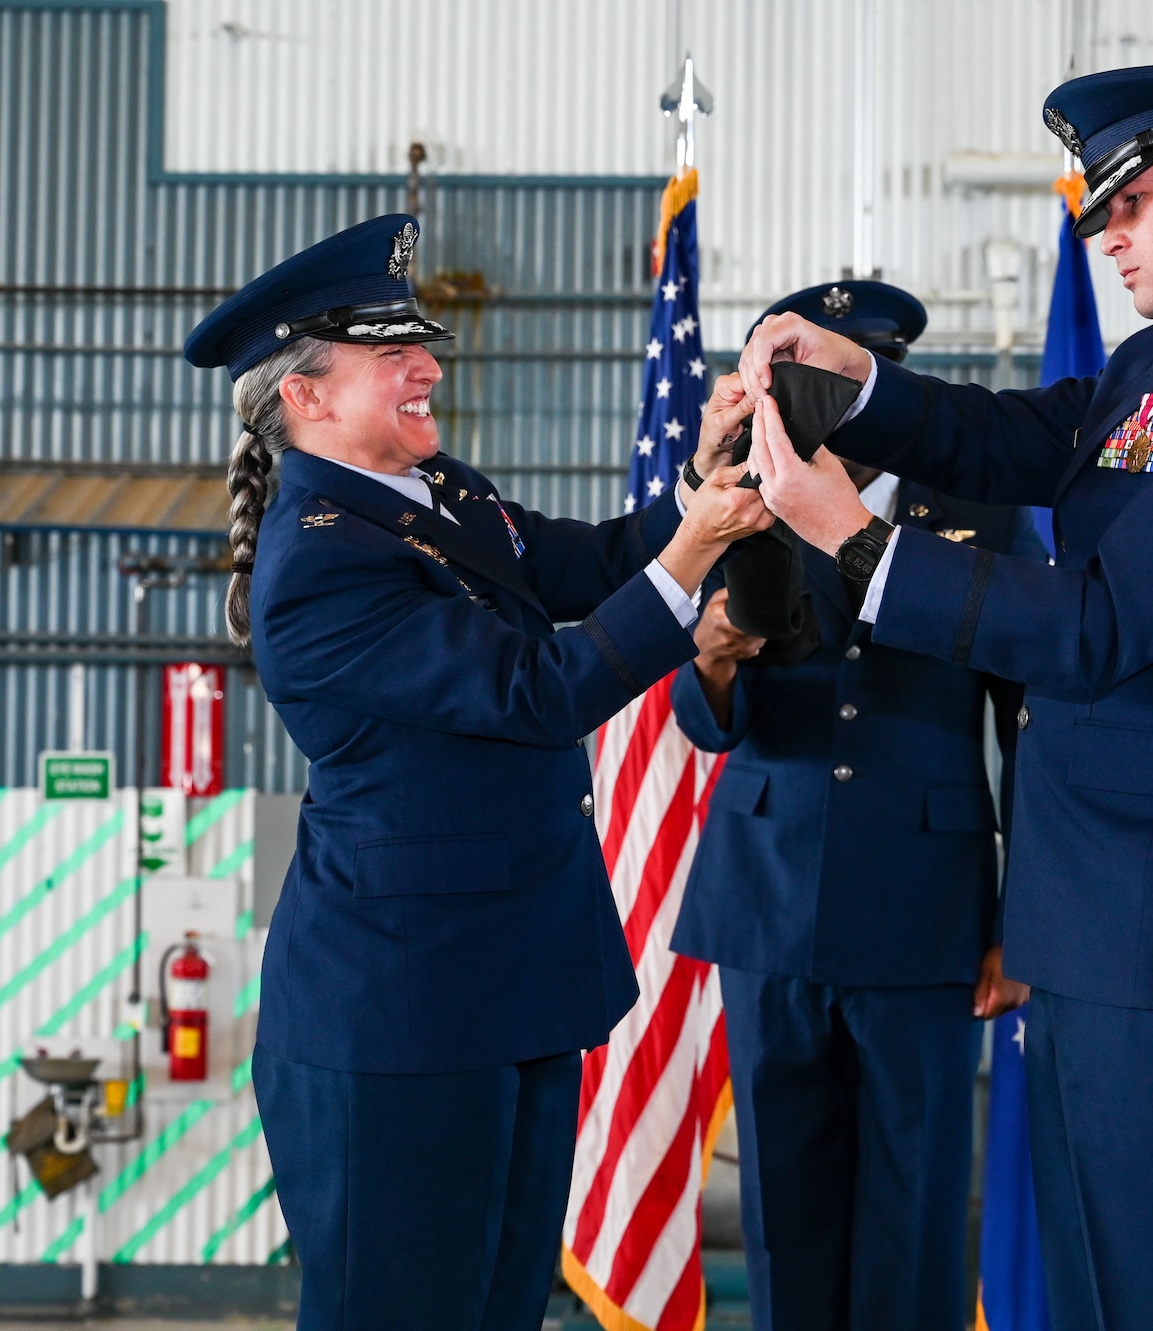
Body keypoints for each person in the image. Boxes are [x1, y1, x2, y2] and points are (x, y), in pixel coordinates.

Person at [736, 64, 1153, 1331]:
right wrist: (853, 379)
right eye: (1102, 217)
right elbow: (1001, 438)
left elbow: (1093, 627)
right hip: (1100, 921)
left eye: (1133, 204)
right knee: (1097, 1292)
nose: (1112, 240)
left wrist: (853, 545)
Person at [180, 214, 770, 1331]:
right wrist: (694, 550)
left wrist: (699, 470)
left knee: (498, 1308)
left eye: (420, 342)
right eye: (390, 351)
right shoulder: (319, 564)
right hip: (400, 1016)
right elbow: (534, 690)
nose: (428, 366)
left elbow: (587, 563)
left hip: (515, 985)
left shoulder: (430, 489)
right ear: (304, 395)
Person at [669, 281, 1042, 1331]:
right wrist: (708, 662)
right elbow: (704, 723)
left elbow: (1030, 725)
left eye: (847, 389)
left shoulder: (971, 514)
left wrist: (1020, 923)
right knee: (783, 1202)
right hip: (766, 898)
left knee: (913, 1200)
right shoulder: (732, 499)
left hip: (924, 911)